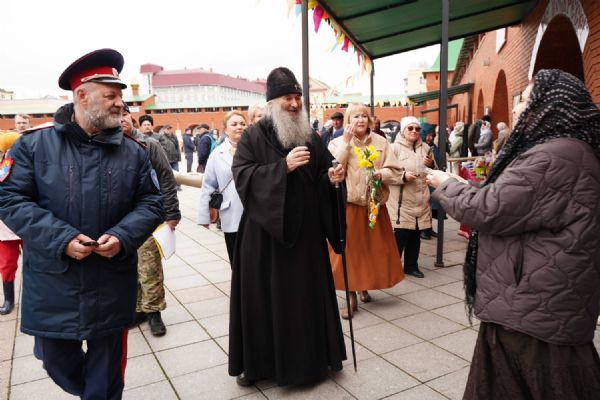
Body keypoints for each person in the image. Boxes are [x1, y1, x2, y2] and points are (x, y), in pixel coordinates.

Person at [0, 49, 164, 399]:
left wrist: (122, 236)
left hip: (111, 280)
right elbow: (10, 199)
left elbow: (153, 202)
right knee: (55, 360)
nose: (120, 103)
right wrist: (61, 238)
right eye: (111, 95)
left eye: (120, 96)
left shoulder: (134, 151)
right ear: (82, 96)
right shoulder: (33, 145)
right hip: (54, 281)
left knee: (105, 377)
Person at [427, 69, 600, 400]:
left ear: (547, 106)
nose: (517, 107)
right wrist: (469, 187)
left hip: (533, 311)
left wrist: (445, 185)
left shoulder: (555, 155)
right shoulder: (567, 151)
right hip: (534, 305)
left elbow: (488, 210)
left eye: (525, 99)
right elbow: (513, 203)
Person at [229, 67, 346, 386]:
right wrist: (283, 168)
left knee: (305, 301)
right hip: (265, 239)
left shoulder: (311, 136)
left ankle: (312, 364)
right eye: (287, 98)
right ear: (272, 102)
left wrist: (332, 178)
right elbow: (243, 177)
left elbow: (323, 173)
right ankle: (260, 366)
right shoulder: (253, 136)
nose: (294, 104)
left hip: (306, 237)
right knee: (263, 302)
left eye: (297, 97)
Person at [328, 103, 404, 318]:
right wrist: (346, 142)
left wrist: (381, 174)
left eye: (363, 116)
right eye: (355, 116)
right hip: (349, 205)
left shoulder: (381, 142)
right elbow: (333, 168)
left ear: (369, 120)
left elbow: (396, 171)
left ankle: (363, 286)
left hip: (374, 205)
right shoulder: (336, 142)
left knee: (371, 250)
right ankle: (350, 294)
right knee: (349, 252)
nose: (360, 120)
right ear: (348, 121)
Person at [121, 104, 180, 336]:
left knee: (149, 267)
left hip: (148, 216)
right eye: (116, 115)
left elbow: (166, 178)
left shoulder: (149, 144)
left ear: (131, 117)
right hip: (119, 219)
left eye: (125, 114)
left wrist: (172, 213)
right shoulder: (107, 144)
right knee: (129, 266)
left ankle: (154, 312)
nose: (121, 119)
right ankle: (138, 309)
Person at [387, 116, 435, 278]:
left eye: (417, 128)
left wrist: (431, 165)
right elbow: (386, 173)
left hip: (421, 200)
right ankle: (392, 268)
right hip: (401, 203)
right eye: (410, 128)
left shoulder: (426, 148)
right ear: (403, 130)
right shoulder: (393, 148)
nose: (414, 131)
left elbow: (433, 171)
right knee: (400, 236)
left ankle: (411, 266)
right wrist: (403, 176)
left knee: (415, 236)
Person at [198, 111, 246, 263]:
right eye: (234, 124)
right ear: (225, 129)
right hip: (232, 214)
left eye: (243, 124)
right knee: (237, 260)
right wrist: (204, 216)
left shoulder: (255, 150)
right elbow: (208, 185)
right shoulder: (217, 154)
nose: (239, 127)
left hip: (255, 214)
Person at [0, 129, 23, 315]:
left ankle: (39, 297)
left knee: (36, 262)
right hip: (5, 226)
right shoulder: (3, 166)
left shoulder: (28, 164)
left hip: (28, 223)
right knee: (7, 263)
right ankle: (9, 299)